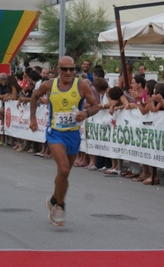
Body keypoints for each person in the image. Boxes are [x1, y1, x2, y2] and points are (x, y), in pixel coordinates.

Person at [29, 56, 101, 226]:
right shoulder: (49, 85)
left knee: (65, 173)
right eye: (64, 69)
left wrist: (87, 113)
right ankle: (60, 206)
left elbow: (96, 105)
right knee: (63, 167)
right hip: (55, 133)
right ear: (58, 69)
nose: (68, 72)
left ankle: (54, 199)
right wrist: (32, 118)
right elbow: (34, 96)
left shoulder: (81, 85)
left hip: (73, 134)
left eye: (71, 69)